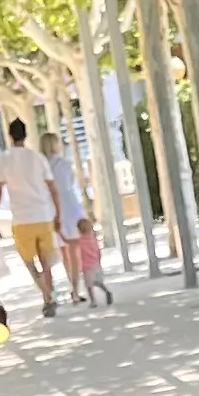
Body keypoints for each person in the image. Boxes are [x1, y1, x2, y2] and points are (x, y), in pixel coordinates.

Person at [0, 113, 61, 317]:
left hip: (22, 219)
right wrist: (58, 214)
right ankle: (51, 296)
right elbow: (53, 188)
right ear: (26, 134)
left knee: (30, 263)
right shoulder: (37, 158)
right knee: (46, 262)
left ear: (10, 135)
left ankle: (46, 296)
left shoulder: (3, 159)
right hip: (43, 215)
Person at [45, 127, 113, 307]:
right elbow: (71, 182)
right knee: (76, 251)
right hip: (69, 206)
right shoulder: (63, 164)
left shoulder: (42, 166)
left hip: (51, 207)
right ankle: (75, 290)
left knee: (65, 253)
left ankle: (72, 286)